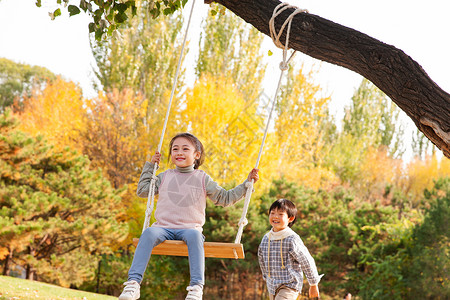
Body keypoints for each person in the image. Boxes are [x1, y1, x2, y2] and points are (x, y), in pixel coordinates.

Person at [119, 132, 259, 300]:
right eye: (175, 149)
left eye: (185, 149)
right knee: (148, 233)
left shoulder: (202, 178)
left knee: (195, 236)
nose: (179, 152)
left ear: (196, 155)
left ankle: (195, 288)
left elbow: (225, 198)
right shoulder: (164, 176)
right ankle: (133, 284)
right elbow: (143, 190)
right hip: (163, 228)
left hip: (189, 229)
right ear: (171, 154)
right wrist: (151, 166)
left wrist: (246, 185)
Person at [258, 199, 322, 300]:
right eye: (272, 213)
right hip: (272, 286)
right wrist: (266, 277)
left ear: (290, 218)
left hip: (290, 285)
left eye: (280, 214)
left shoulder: (292, 239)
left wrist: (313, 284)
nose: (275, 216)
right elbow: (262, 258)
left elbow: (306, 261)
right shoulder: (266, 238)